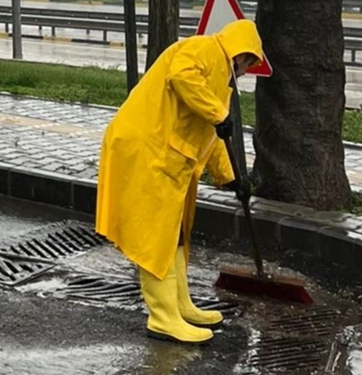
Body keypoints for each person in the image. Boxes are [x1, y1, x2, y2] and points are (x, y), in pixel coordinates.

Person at [96, 19, 265, 345]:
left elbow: (213, 134)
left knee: (175, 236)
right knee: (155, 238)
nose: (245, 72)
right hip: (147, 151)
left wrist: (232, 179)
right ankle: (162, 317)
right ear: (240, 53)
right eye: (248, 63)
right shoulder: (200, 50)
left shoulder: (219, 80)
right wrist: (218, 114)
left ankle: (180, 306)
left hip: (170, 160)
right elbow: (183, 79)